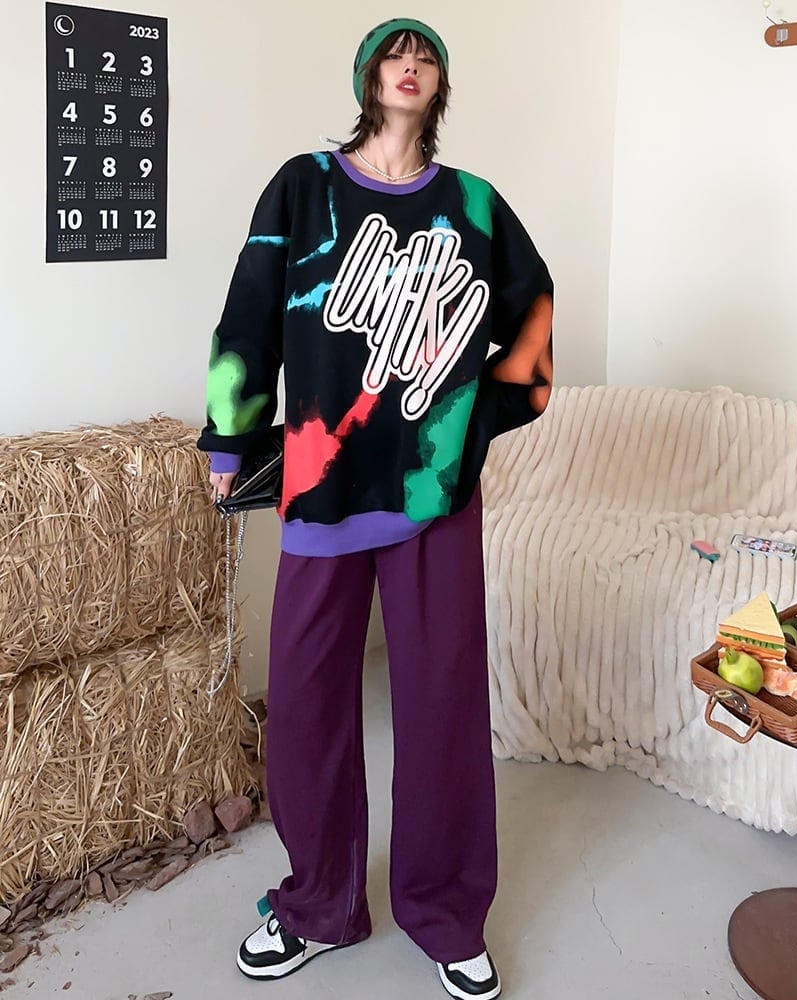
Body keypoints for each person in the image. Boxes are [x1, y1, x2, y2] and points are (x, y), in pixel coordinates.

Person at [197, 17, 554, 999]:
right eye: (394, 53)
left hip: (432, 497)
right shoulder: (302, 187)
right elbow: (249, 316)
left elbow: (531, 318)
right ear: (366, 77)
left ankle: (445, 914)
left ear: (439, 86)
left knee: (441, 708)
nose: (410, 65)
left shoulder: (473, 205)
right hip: (323, 489)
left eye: (426, 55)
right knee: (306, 707)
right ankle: (318, 903)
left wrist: (468, 425)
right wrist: (230, 438)